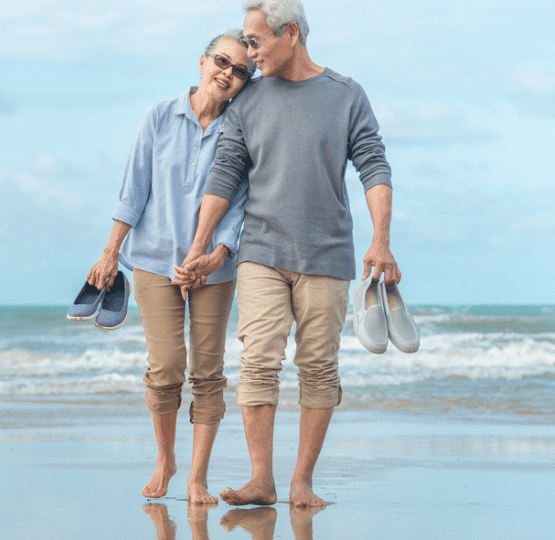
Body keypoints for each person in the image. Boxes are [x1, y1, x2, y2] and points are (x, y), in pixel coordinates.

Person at [175, 0, 401, 508]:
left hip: (327, 255)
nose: (248, 55)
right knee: (257, 363)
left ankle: (301, 483)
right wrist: (200, 245)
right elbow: (225, 173)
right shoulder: (249, 101)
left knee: (319, 368)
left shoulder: (345, 95)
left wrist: (381, 240)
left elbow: (374, 166)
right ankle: (262, 480)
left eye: (255, 43)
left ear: (291, 33)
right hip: (260, 251)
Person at [85, 30, 255, 505]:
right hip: (155, 263)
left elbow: (240, 202)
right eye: (222, 61)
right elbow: (133, 189)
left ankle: (197, 478)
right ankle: (165, 460)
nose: (229, 73)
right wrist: (109, 251)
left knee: (208, 371)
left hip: (214, 269)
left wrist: (218, 253)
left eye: (241, 70)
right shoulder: (158, 116)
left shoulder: (240, 130)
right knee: (164, 368)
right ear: (201, 62)